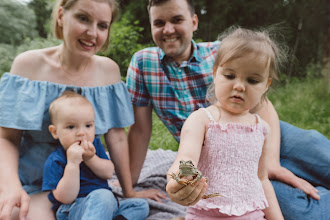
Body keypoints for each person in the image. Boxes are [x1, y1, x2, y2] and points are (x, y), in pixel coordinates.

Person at [126, 0, 330, 219]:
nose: (168, 29)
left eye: (177, 20)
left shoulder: (222, 51)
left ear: (194, 22)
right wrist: (131, 187)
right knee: (287, 202)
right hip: (215, 150)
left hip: (261, 129)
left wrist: (272, 162)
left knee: (314, 150)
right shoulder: (143, 63)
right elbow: (141, 131)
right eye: (159, 23)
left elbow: (264, 105)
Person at [0, 0, 160, 219]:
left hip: (87, 187)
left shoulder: (108, 71)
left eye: (102, 25)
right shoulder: (27, 65)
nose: (92, 33)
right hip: (36, 185)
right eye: (83, 18)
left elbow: (117, 137)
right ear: (60, 16)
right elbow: (7, 138)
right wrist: (11, 187)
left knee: (118, 206)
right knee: (12, 214)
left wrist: (129, 190)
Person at [167, 26, 284, 219]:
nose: (239, 86)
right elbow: (185, 158)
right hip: (207, 213)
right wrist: (177, 180)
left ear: (266, 85)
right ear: (215, 73)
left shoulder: (262, 128)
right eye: (229, 76)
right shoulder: (202, 119)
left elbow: (261, 179)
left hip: (250, 214)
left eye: (253, 80)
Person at [43, 91, 148, 220]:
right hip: (74, 208)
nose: (81, 133)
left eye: (88, 126)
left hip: (106, 204)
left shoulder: (95, 147)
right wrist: (73, 164)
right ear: (55, 132)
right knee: (103, 196)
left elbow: (108, 172)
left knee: (140, 205)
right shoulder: (56, 160)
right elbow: (65, 198)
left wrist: (91, 159)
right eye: (71, 127)